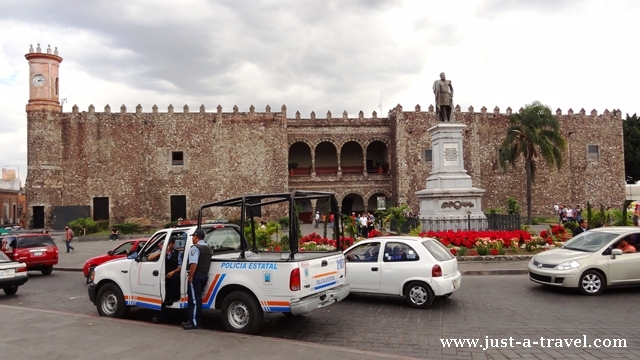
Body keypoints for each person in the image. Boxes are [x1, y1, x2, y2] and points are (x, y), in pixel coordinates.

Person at [183, 228, 212, 330]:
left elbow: (194, 263)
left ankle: (194, 322)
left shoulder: (195, 248)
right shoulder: (208, 248)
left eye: (193, 237)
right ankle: (193, 320)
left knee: (194, 300)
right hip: (204, 275)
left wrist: (190, 277)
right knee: (197, 299)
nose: (192, 239)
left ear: (196, 237)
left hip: (196, 276)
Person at [151, 237, 183, 323]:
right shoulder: (161, 252)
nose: (168, 246)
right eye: (166, 244)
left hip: (172, 275)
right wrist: (162, 252)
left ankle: (170, 298)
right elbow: (150, 258)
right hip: (161, 276)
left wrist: (173, 272)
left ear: (173, 244)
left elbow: (180, 266)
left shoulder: (178, 254)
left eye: (169, 244)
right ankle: (160, 315)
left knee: (176, 277)